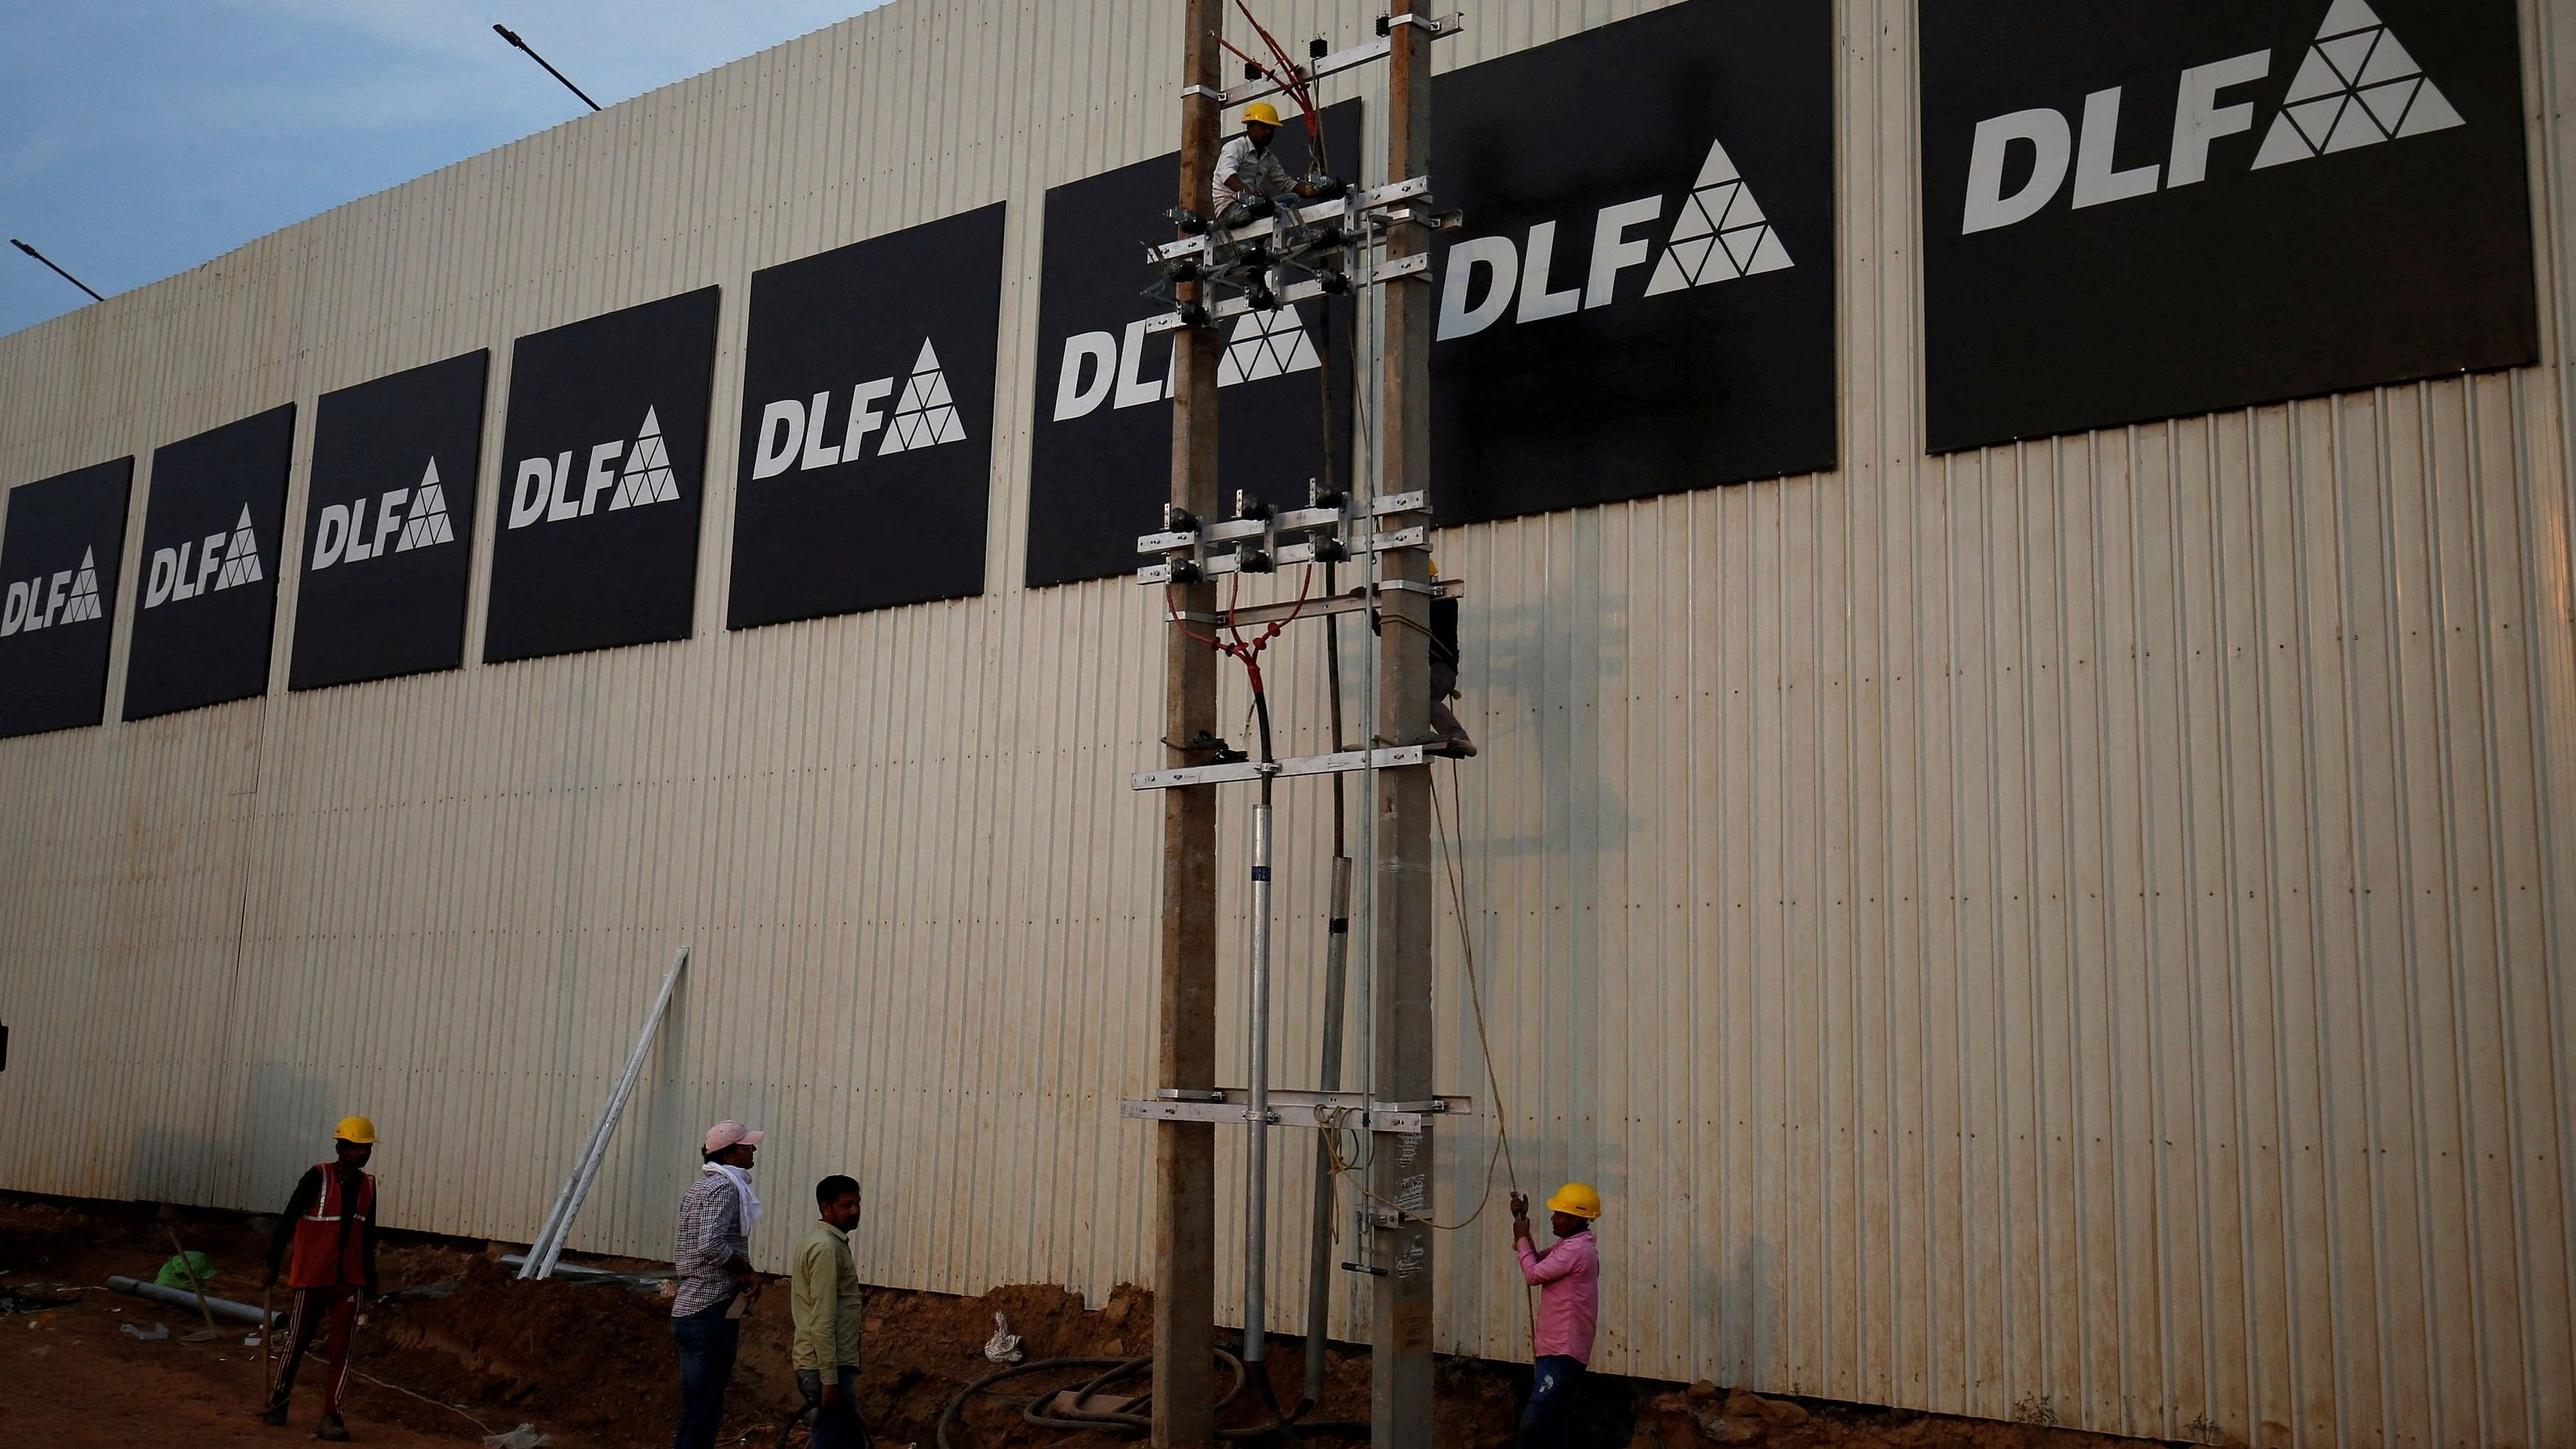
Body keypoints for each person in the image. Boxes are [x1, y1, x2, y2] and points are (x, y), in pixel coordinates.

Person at [259, 1116, 383, 1442]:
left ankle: (332, 1415)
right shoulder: (317, 1178)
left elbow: (367, 1238)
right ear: (340, 1147)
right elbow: (287, 1221)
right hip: (313, 1277)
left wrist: (370, 1285)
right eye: (356, 1147)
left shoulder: (369, 1186)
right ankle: (279, 1400)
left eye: (366, 1147)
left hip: (348, 1281)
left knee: (342, 1350)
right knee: (296, 1341)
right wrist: (271, 1264)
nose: (362, 1153)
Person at [671, 1120, 765, 1449]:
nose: (753, 1149)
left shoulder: (701, 1187)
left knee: (696, 1409)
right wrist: (747, 1272)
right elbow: (710, 1244)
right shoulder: (725, 1189)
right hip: (709, 1310)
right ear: (729, 1153)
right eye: (746, 1146)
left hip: (689, 1309)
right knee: (705, 1412)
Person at [1509, 1183, 1602, 1448]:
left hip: (1562, 1352)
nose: (1553, 1218)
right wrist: (1522, 1225)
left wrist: (1522, 1236)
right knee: (1555, 1423)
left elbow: (1533, 1274)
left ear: (1574, 1219)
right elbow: (1538, 1262)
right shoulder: (1571, 1246)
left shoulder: (1575, 1251)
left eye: (1559, 1214)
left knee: (1534, 1423)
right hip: (1556, 1350)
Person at [790, 1175, 868, 1448]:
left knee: (846, 1439)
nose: (855, 1211)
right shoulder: (826, 1249)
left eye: (857, 1203)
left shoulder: (828, 1243)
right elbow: (822, 1320)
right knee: (832, 1439)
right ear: (826, 1208)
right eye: (847, 1205)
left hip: (827, 1364)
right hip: (826, 1366)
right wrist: (830, 1381)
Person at [1211, 101, 1318, 224]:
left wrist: (1315, 190)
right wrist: (1250, 193)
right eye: (1263, 127)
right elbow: (1228, 176)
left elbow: (1287, 184)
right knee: (1268, 208)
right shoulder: (1235, 147)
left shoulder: (1268, 158)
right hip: (1229, 210)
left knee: (1292, 199)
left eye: (1271, 128)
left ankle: (1263, 241)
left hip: (1253, 206)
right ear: (1250, 127)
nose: (1268, 132)